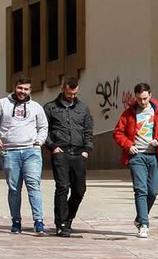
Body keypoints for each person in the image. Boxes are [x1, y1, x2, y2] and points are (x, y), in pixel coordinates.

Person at [112, 83, 158, 239]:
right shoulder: (128, 114)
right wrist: (128, 145)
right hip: (137, 156)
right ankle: (144, 224)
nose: (142, 102)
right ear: (135, 98)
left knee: (152, 191)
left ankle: (140, 217)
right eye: (139, 99)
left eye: (145, 98)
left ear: (150, 95)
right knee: (140, 190)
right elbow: (118, 133)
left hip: (156, 156)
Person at [44, 77, 94, 237]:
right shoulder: (50, 107)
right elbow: (44, 129)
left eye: (75, 94)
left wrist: (87, 149)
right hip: (61, 152)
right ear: (62, 89)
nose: (72, 96)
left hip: (79, 153)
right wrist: (52, 146)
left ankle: (68, 217)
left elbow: (88, 130)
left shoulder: (83, 108)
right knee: (62, 187)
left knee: (80, 189)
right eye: (69, 93)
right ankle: (61, 224)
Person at [0, 77, 48, 234]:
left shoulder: (35, 107)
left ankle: (39, 222)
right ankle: (16, 222)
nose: (22, 91)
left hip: (31, 152)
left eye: (26, 89)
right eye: (20, 88)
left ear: (30, 90)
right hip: (10, 152)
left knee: (34, 186)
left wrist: (39, 142)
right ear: (15, 87)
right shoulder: (3, 104)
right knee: (14, 188)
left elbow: (43, 126)